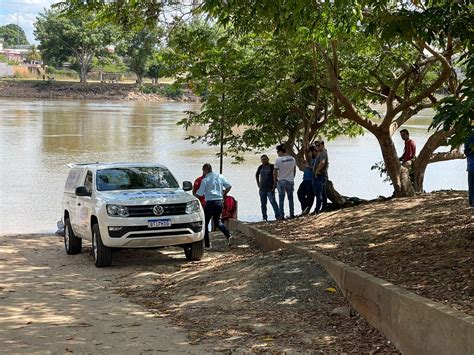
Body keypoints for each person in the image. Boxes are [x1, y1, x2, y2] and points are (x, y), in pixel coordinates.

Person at [195, 163, 233, 248]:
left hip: (210, 203)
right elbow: (229, 186)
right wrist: (223, 194)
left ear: (204, 170)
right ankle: (228, 235)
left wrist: (191, 198)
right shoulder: (220, 176)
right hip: (219, 202)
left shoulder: (205, 180)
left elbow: (200, 194)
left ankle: (207, 244)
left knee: (205, 223)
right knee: (218, 221)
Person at [274, 144, 296, 219]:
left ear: (280, 151)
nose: (277, 153)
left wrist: (275, 180)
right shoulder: (292, 159)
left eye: (278, 152)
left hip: (281, 181)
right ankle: (292, 214)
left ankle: (281, 215)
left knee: (281, 199)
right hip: (290, 181)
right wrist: (292, 178)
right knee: (290, 198)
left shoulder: (278, 160)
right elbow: (294, 170)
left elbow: (275, 171)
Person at [255, 154, 279, 221]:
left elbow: (276, 177)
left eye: (265, 159)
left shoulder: (272, 166)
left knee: (273, 202)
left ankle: (278, 216)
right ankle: (264, 218)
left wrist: (274, 186)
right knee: (263, 204)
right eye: (262, 160)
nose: (264, 161)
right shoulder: (260, 167)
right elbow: (257, 174)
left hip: (270, 188)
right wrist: (258, 183)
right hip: (262, 189)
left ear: (268, 159)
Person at [298, 145, 316, 215]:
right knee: (299, 193)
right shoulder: (310, 160)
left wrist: (307, 166)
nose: (309, 154)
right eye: (308, 152)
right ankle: (305, 208)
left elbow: (316, 169)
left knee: (310, 195)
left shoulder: (316, 159)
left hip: (311, 180)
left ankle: (306, 210)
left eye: (310, 152)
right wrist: (305, 164)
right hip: (305, 179)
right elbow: (305, 167)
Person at [312, 140, 328, 215]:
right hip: (320, 175)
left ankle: (317, 210)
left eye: (319, 145)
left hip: (320, 175)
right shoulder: (321, 153)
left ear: (323, 145)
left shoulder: (323, 153)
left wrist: (316, 171)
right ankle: (323, 208)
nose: (317, 147)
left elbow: (322, 163)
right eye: (316, 146)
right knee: (323, 193)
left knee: (318, 193)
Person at [464, 131, 474, 208]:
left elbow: (466, 151)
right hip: (471, 166)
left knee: (472, 186)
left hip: (471, 166)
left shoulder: (469, 136)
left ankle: (472, 202)